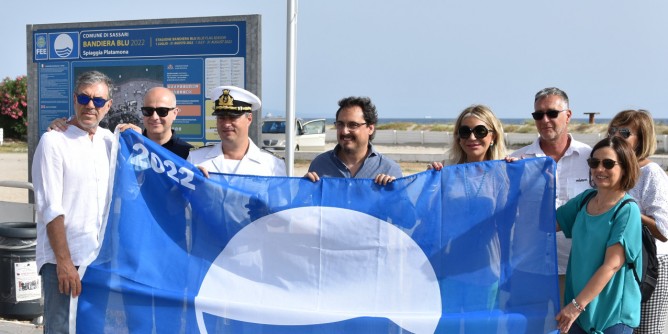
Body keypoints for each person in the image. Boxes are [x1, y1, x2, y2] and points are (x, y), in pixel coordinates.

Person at [32, 70, 115, 333]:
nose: (91, 105)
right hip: (65, 261)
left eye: (99, 101)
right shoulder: (53, 141)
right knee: (60, 329)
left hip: (98, 260)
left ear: (108, 106)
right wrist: (64, 263)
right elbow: (50, 207)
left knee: (93, 328)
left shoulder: (110, 142)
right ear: (75, 98)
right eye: (85, 98)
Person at [510, 87, 592, 298]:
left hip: (576, 269)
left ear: (568, 115)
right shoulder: (517, 161)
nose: (545, 120)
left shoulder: (592, 159)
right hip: (529, 268)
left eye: (552, 113)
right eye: (538, 115)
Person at [555, 136, 642, 333]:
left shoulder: (627, 210)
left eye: (608, 163)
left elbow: (611, 266)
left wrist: (575, 307)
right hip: (579, 311)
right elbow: (544, 225)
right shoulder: (585, 200)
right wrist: (519, 172)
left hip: (610, 314)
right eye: (594, 162)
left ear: (625, 167)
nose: (599, 169)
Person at [607, 109, 668, 334]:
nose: (615, 136)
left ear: (641, 139)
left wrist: (627, 209)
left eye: (624, 132)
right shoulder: (612, 168)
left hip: (651, 264)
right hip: (620, 262)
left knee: (648, 331)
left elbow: (663, 230)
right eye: (612, 130)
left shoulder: (651, 173)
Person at [49, 86, 193, 159]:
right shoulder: (126, 146)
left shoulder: (189, 155)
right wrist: (63, 125)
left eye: (162, 111)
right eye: (148, 111)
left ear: (175, 113)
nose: (154, 117)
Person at [188, 85, 286, 176]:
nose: (226, 124)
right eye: (221, 118)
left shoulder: (272, 164)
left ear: (249, 119)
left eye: (232, 117)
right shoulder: (196, 159)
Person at [305, 96, 401, 184]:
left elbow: (401, 203)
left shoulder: (389, 169)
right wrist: (304, 187)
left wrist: (393, 192)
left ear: (370, 128)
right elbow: (308, 202)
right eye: (340, 124)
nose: (344, 131)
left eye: (353, 125)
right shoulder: (320, 164)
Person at [429, 104, 506, 169]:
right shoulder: (446, 170)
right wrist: (430, 179)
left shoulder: (505, 171)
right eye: (465, 132)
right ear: (458, 137)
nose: (472, 138)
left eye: (480, 131)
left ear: (493, 136)